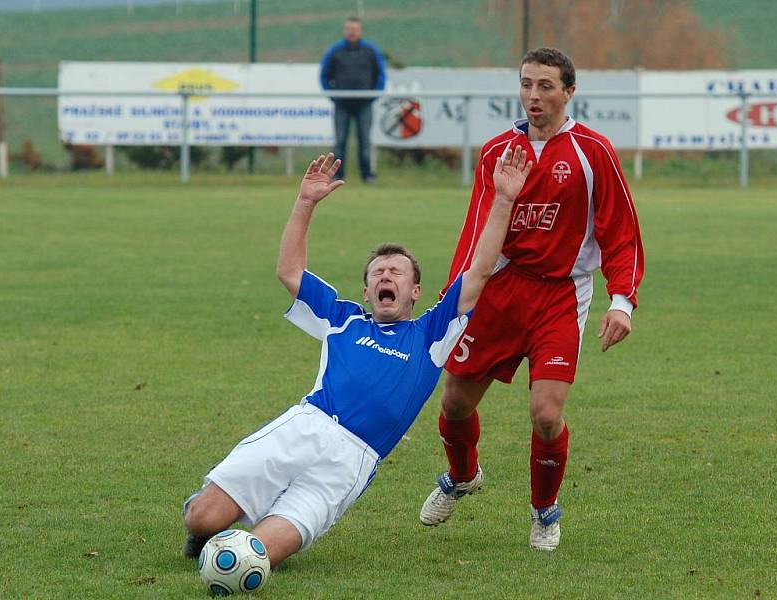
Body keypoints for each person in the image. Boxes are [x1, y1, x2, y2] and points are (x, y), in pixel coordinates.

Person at [182, 149, 533, 567]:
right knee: (202, 519)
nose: (386, 276)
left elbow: (478, 271)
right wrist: (305, 202)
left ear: (416, 292)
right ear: (366, 293)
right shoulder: (343, 319)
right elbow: (289, 271)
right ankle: (206, 518)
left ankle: (243, 535)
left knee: (256, 556)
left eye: (397, 272)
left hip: (350, 462)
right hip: (302, 430)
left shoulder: (431, 335)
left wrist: (505, 199)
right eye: (377, 273)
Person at [418, 47, 645, 552]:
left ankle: (544, 512)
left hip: (560, 296)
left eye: (545, 86)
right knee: (454, 404)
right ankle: (462, 475)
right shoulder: (498, 151)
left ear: (569, 91)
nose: (533, 96)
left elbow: (621, 232)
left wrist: (621, 301)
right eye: (526, 84)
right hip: (498, 292)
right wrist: (453, 299)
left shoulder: (594, 152)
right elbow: (477, 230)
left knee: (546, 414)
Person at [319, 16, 386, 183]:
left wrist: (373, 96)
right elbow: (323, 75)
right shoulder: (335, 50)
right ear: (344, 30)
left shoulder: (371, 50)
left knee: (364, 142)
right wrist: (333, 96)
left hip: (365, 104)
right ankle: (337, 175)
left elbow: (381, 75)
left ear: (360, 31)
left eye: (355, 29)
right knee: (339, 142)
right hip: (342, 105)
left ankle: (367, 175)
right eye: (349, 29)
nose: (352, 32)